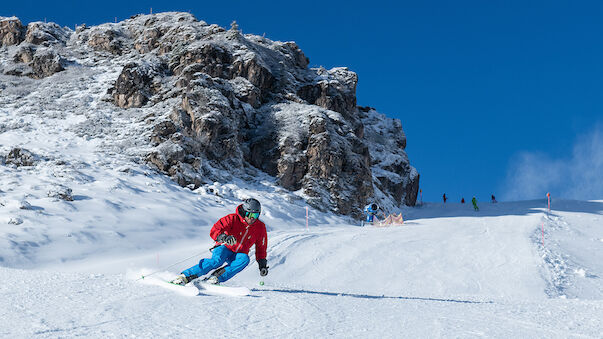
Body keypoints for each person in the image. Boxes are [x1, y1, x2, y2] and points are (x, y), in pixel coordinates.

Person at [171, 198, 268, 285]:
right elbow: (215, 229)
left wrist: (262, 265)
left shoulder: (260, 227)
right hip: (224, 247)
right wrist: (224, 237)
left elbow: (261, 247)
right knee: (217, 261)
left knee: (244, 259)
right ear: (244, 212)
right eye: (249, 214)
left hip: (239, 253)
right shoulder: (232, 218)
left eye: (255, 215)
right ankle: (185, 276)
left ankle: (215, 278)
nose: (252, 218)